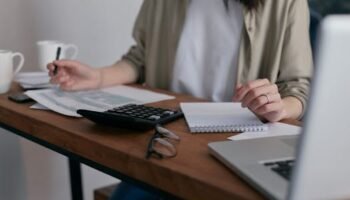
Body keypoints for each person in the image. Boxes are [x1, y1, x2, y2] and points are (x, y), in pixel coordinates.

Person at [48, 0, 313, 199]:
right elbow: (140, 59)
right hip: (166, 139)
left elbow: (298, 88)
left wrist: (279, 107)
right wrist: (96, 77)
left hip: (239, 142)